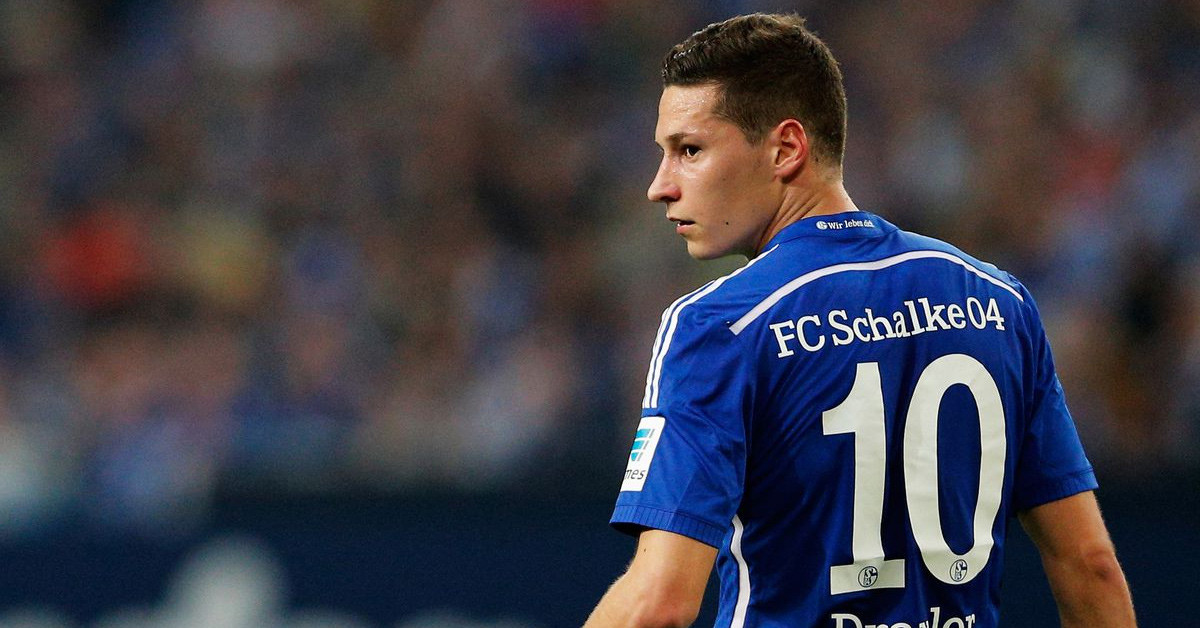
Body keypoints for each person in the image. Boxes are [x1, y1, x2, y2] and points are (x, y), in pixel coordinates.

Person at [583, 13, 1136, 628]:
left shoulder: (721, 327)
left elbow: (658, 603)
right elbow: (1091, 565)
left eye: (689, 150)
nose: (660, 186)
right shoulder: (999, 303)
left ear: (786, 149)